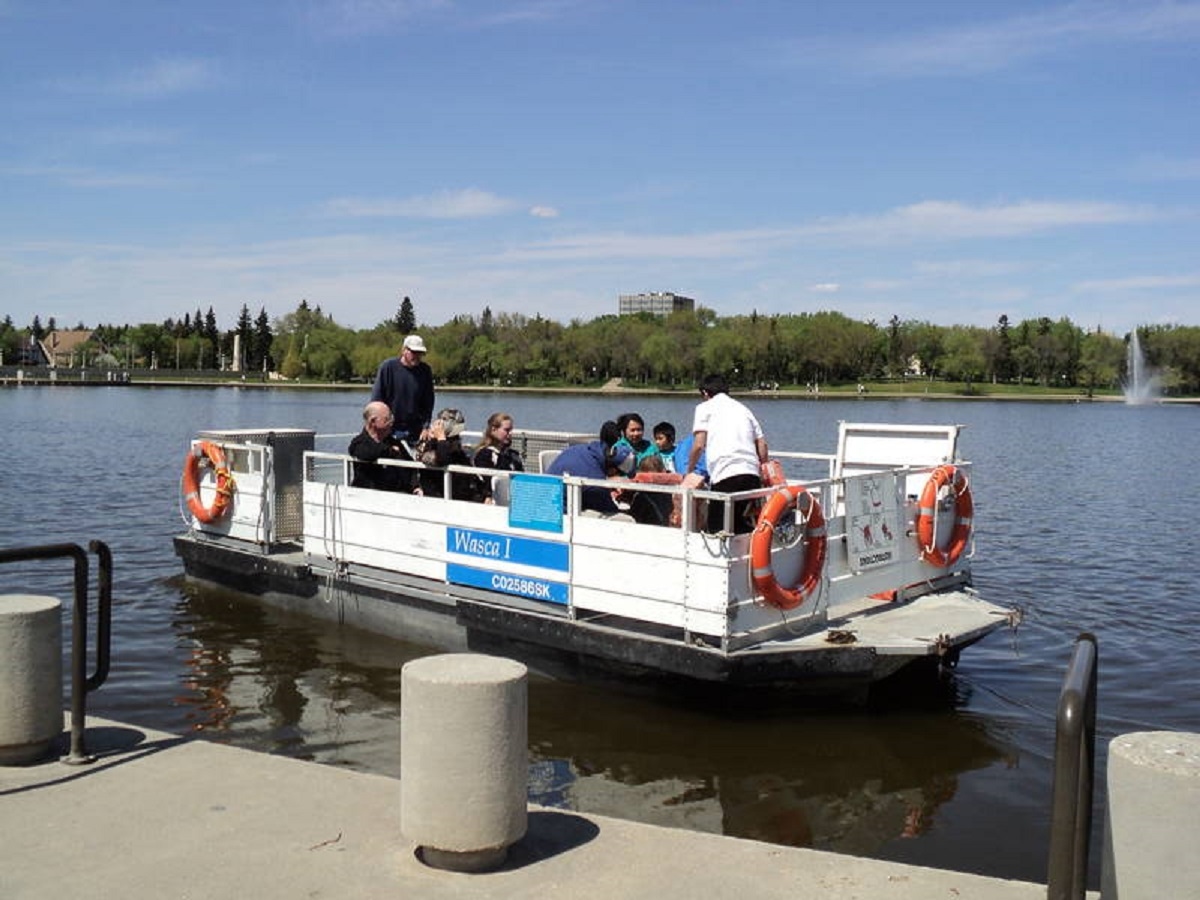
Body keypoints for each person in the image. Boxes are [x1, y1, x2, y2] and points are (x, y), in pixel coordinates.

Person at [687, 373, 768, 534]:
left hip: (726, 475)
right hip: (751, 475)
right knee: (743, 526)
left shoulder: (704, 408)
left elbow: (698, 445)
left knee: (717, 527)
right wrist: (763, 468)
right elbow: (762, 445)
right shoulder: (744, 409)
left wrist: (688, 471)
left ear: (705, 393)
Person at [545, 421, 636, 517]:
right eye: (620, 474)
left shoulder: (579, 449)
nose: (620, 477)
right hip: (557, 516)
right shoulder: (595, 483)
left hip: (542, 502)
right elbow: (609, 508)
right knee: (622, 519)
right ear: (613, 468)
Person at [370, 334, 434, 445]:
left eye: (420, 353)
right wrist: (379, 427)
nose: (417, 356)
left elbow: (428, 403)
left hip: (415, 431)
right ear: (404, 350)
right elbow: (377, 400)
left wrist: (426, 426)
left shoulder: (425, 371)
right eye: (414, 352)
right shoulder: (388, 367)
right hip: (389, 430)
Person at [415, 408, 485, 501]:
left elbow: (469, 471)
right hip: (440, 497)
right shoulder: (429, 446)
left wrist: (485, 495)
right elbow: (442, 459)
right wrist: (441, 438)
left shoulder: (457, 450)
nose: (457, 437)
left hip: (462, 494)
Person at [347, 401, 416, 492]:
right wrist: (391, 451)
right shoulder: (359, 442)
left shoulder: (394, 442)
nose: (391, 422)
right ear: (373, 421)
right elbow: (367, 453)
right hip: (369, 495)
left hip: (398, 495)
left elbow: (410, 465)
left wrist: (415, 486)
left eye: (391, 418)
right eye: (387, 419)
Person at [473, 412, 524, 504]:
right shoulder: (484, 455)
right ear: (493, 429)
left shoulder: (512, 455)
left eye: (511, 430)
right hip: (493, 499)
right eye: (506, 430)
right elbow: (488, 482)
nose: (510, 433)